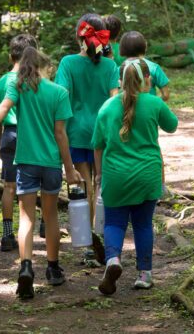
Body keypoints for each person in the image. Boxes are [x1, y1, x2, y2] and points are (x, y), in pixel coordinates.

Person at [0, 47, 81, 299]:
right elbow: (60, 134)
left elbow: (3, 107)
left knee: (26, 218)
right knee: (51, 216)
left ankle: (25, 267)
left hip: (25, 162)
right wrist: (70, 169)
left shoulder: (20, 88)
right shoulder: (59, 92)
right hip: (51, 163)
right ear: (45, 67)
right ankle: (53, 269)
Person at [92, 58, 178, 294]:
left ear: (120, 81)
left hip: (115, 176)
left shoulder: (107, 107)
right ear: (146, 79)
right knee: (142, 224)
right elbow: (172, 125)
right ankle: (144, 274)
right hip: (147, 175)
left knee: (114, 222)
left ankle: (113, 260)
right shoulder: (154, 103)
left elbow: (97, 146)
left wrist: (99, 175)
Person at [55, 14, 119, 264]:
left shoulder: (68, 63)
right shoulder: (111, 66)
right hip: (103, 132)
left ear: (78, 37)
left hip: (77, 133)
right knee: (101, 184)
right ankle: (103, 236)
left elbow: (61, 95)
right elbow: (115, 100)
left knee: (85, 187)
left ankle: (90, 242)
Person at [0, 34, 39, 252]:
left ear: (11, 56)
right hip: (32, 135)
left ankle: (7, 234)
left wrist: (0, 141)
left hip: (10, 134)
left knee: (9, 186)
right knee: (35, 183)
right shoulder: (35, 81)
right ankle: (39, 227)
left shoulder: (3, 81)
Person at [118, 30, 170, 101]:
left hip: (126, 107)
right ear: (144, 46)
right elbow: (166, 95)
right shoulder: (154, 68)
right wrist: (153, 103)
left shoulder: (120, 69)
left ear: (122, 48)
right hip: (149, 107)